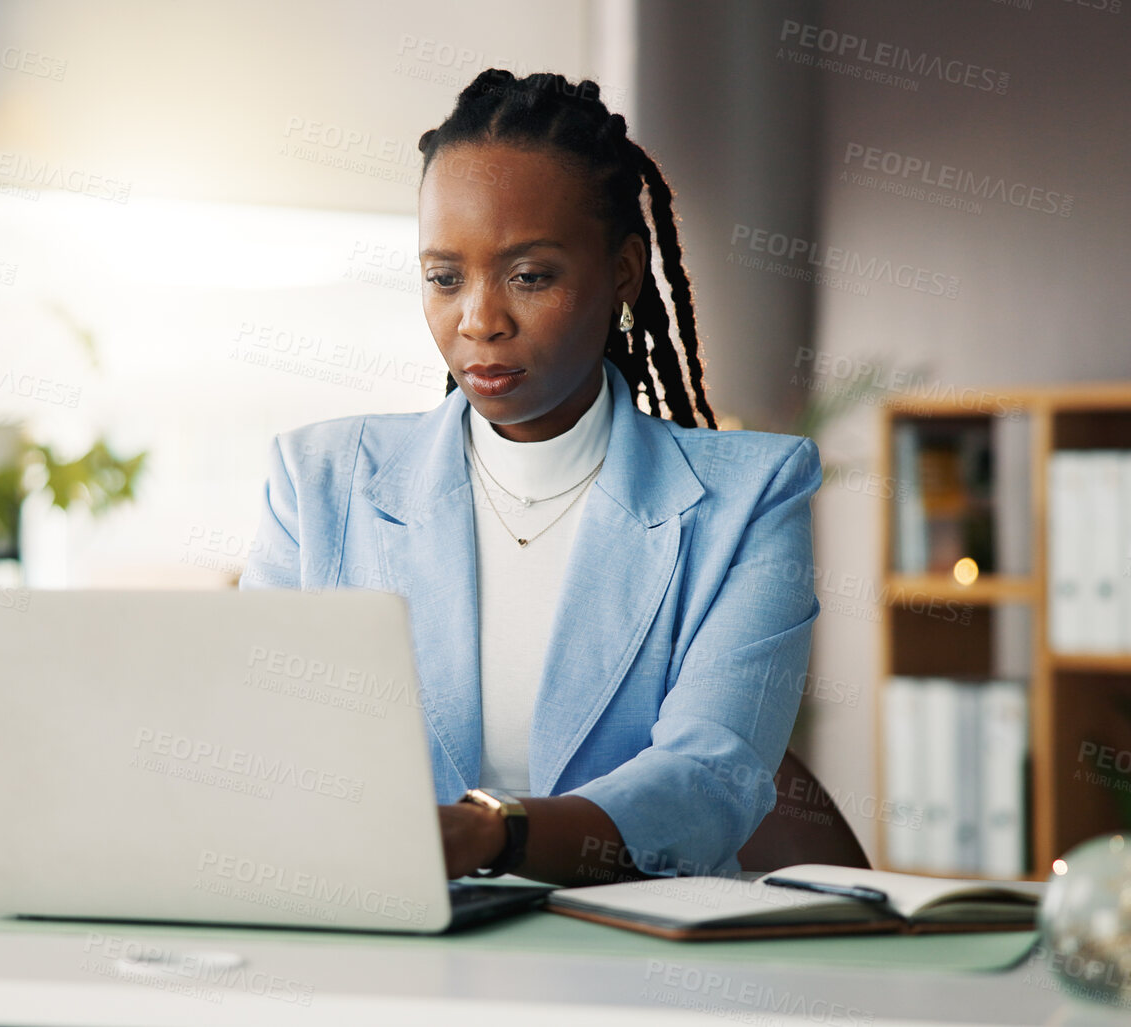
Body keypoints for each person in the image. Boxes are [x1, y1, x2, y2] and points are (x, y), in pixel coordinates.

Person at [241, 69, 820, 886]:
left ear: (623, 273)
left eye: (529, 276)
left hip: (636, 945)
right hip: (384, 932)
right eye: (444, 277)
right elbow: (262, 747)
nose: (479, 319)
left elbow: (710, 779)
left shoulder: (751, 496)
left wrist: (492, 835)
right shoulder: (317, 482)